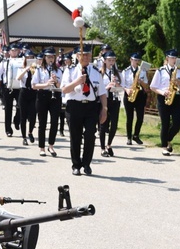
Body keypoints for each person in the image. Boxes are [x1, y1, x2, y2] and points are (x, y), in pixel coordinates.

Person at [61, 46, 108, 176]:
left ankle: (87, 163)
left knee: (90, 136)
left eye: (88, 55)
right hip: (74, 106)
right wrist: (77, 82)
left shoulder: (95, 72)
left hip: (91, 107)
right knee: (75, 137)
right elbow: (64, 90)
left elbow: (102, 93)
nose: (86, 57)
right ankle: (76, 165)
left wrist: (104, 109)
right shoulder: (69, 71)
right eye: (83, 55)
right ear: (77, 56)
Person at [150, 48, 180, 156]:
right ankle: (164, 147)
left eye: (176, 58)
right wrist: (163, 92)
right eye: (172, 58)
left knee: (177, 122)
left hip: (176, 98)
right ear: (167, 58)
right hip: (164, 98)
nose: (174, 60)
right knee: (165, 123)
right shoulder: (160, 71)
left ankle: (167, 139)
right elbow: (153, 86)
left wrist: (178, 81)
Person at [32, 48, 61, 157]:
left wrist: (56, 81)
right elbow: (34, 85)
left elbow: (62, 86)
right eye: (48, 57)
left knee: (54, 122)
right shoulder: (39, 70)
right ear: (45, 57)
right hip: (43, 95)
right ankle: (42, 147)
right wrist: (46, 84)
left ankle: (51, 146)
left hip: (55, 96)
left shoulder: (59, 70)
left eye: (52, 57)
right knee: (42, 123)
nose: (51, 59)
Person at [122, 52, 150, 145]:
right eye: (135, 60)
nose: (136, 62)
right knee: (129, 118)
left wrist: (140, 81)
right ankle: (129, 137)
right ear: (131, 60)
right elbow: (121, 84)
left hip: (140, 94)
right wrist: (126, 90)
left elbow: (146, 85)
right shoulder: (125, 71)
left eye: (138, 60)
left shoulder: (142, 71)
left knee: (140, 117)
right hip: (129, 94)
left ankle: (136, 135)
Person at [99, 50, 122, 157]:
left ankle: (109, 145)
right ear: (104, 61)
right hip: (105, 100)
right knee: (103, 123)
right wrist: (107, 87)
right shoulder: (100, 73)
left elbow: (122, 87)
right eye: (109, 60)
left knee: (114, 124)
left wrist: (116, 83)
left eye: (113, 60)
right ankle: (103, 148)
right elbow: (97, 88)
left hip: (115, 100)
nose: (111, 62)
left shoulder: (118, 72)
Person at [16, 48, 37, 146]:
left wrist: (34, 70)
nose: (29, 59)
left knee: (33, 116)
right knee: (23, 116)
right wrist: (26, 69)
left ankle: (30, 132)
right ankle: (24, 137)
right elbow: (18, 78)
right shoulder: (21, 68)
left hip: (33, 92)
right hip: (23, 92)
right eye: (28, 57)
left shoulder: (36, 69)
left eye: (31, 58)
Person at [0, 43, 22, 137]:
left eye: (16, 50)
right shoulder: (5, 62)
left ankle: (17, 120)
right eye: (12, 50)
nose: (14, 52)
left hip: (19, 87)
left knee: (20, 106)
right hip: (8, 87)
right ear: (9, 52)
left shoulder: (21, 61)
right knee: (8, 109)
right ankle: (8, 129)